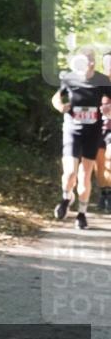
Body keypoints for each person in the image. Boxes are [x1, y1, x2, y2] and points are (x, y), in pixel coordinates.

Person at [51, 48, 111, 229]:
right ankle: (66, 197)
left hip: (92, 132)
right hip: (72, 129)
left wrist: (108, 110)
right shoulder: (69, 78)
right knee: (70, 173)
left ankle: (82, 214)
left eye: (83, 62)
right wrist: (60, 106)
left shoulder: (101, 80)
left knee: (85, 176)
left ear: (92, 63)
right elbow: (56, 97)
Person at [97, 52, 111, 213]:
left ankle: (109, 194)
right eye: (107, 62)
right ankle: (103, 193)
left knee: (109, 158)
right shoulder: (97, 83)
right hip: (96, 127)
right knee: (98, 163)